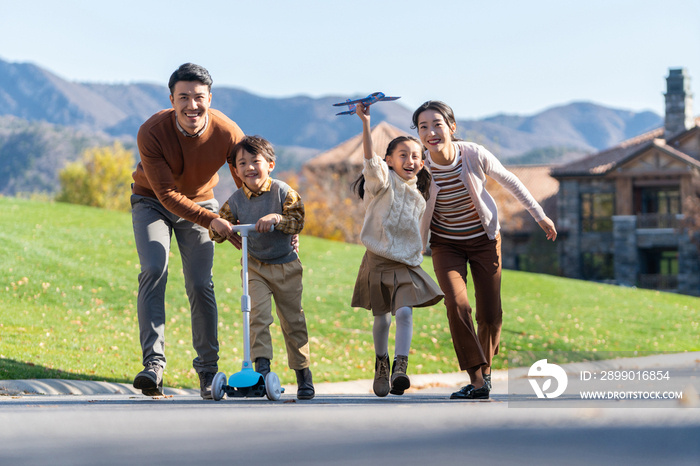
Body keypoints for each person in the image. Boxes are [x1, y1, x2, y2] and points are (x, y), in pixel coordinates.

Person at [412, 101, 557, 400]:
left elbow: (510, 180)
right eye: (423, 127)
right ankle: (477, 380)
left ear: (452, 127)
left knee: (490, 314)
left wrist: (539, 215)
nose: (431, 132)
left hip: (485, 240)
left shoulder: (473, 154)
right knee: (457, 305)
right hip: (445, 244)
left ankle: (486, 372)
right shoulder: (420, 168)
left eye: (437, 124)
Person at [131, 63, 245, 399]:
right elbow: (166, 194)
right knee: (154, 269)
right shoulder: (151, 131)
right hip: (151, 202)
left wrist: (262, 219)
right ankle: (153, 366)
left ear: (209, 98)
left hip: (202, 203)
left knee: (199, 283)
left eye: (198, 97)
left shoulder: (228, 132)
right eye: (183, 97)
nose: (191, 105)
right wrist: (213, 221)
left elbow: (248, 183)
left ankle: (208, 371)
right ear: (171, 99)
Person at [209, 135, 315, 400]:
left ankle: (303, 374)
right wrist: (217, 226)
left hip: (286, 266)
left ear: (270, 164)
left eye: (255, 161)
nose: (249, 168)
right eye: (241, 163)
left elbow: (297, 220)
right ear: (235, 170)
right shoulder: (235, 200)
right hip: (254, 266)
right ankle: (261, 371)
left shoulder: (283, 191)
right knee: (256, 317)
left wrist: (277, 218)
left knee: (293, 321)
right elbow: (221, 230)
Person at [350, 103, 444, 397]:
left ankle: (400, 368)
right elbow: (369, 160)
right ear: (389, 160)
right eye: (403, 155)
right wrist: (366, 123)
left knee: (404, 313)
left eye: (416, 156)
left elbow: (422, 230)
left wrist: (431, 203)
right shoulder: (381, 183)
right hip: (377, 260)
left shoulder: (420, 194)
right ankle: (382, 363)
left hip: (405, 264)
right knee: (383, 318)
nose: (410, 160)